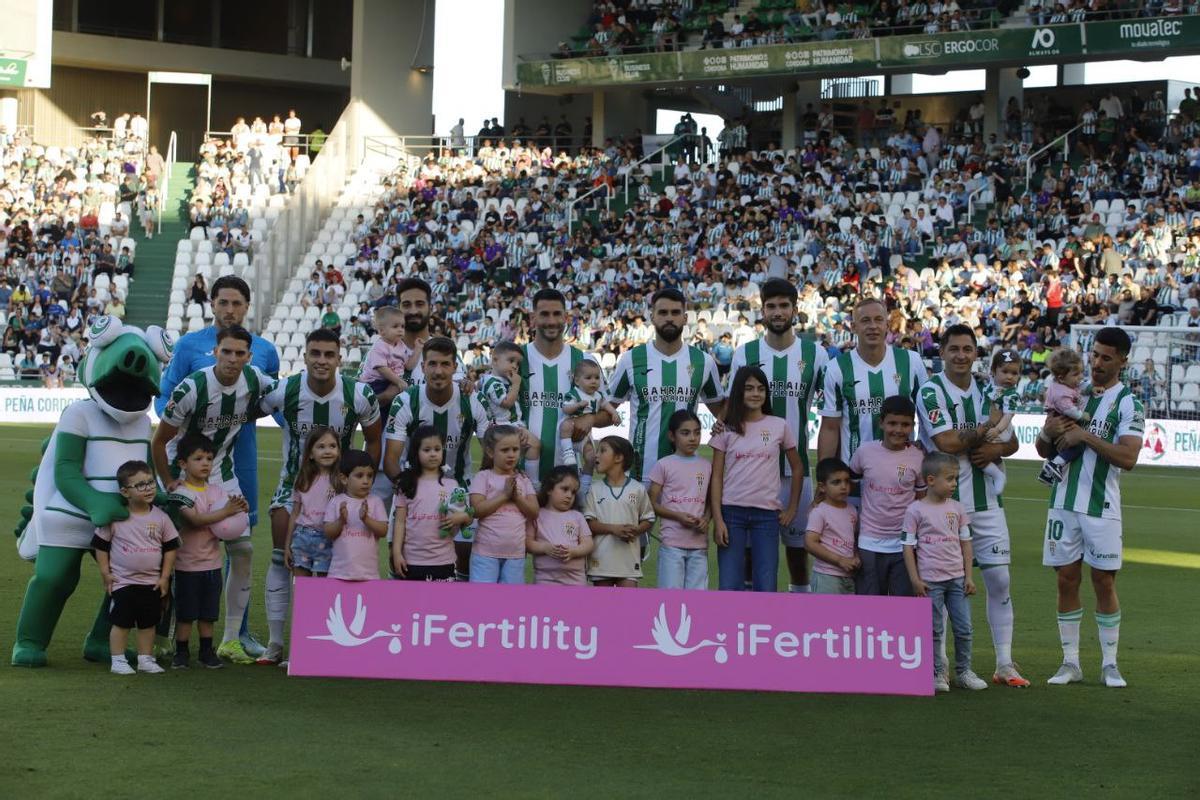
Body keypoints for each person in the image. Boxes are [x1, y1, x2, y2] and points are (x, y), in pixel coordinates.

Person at [156, 275, 279, 660]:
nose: (229, 309)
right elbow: (162, 427)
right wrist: (172, 480)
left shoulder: (262, 363)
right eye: (222, 302)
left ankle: (231, 637)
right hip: (182, 466)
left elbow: (280, 398)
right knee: (176, 549)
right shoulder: (191, 370)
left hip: (227, 464)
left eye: (236, 303)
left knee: (241, 545)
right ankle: (165, 634)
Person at [257, 328, 381, 663]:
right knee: (283, 555)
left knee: (333, 566)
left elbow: (373, 440)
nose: (322, 361)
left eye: (329, 355)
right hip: (294, 486)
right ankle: (275, 642)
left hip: (339, 492)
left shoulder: (358, 394)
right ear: (306, 356)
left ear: (340, 358)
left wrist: (360, 480)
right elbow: (250, 409)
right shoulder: (286, 390)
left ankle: (320, 641)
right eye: (315, 353)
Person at [917, 325, 1027, 687]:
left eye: (967, 349)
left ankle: (1005, 663)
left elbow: (1010, 441)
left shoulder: (988, 390)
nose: (961, 355)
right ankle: (942, 666)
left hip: (987, 502)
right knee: (945, 585)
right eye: (954, 349)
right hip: (943, 508)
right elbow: (947, 441)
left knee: (1000, 578)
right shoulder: (931, 391)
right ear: (943, 353)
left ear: (976, 353)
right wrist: (984, 435)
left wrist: (995, 448)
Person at [1038, 327, 1143, 689]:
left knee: (1103, 581)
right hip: (1063, 504)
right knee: (1066, 580)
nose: (1097, 363)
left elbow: (1128, 457)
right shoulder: (1071, 393)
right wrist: (1048, 432)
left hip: (1102, 506)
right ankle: (1070, 663)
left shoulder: (1128, 402)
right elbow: (1042, 450)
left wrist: (1085, 436)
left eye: (1106, 357)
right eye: (1095, 355)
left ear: (1122, 361)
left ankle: (1110, 664)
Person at [730, 277, 830, 593]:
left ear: (795, 309)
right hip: (751, 473)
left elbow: (832, 415)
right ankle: (749, 617)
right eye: (771, 306)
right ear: (763, 310)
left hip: (796, 472)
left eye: (783, 305)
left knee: (799, 549)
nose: (777, 312)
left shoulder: (817, 355)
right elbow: (734, 410)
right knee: (748, 551)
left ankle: (797, 613)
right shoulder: (744, 354)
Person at [383, 336, 489, 580]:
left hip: (459, 488)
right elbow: (391, 459)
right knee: (396, 554)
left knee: (465, 553)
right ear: (422, 367)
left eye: (445, 364)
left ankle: (457, 614)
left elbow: (490, 453)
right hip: (414, 488)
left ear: (455, 367)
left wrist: (476, 497)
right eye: (432, 364)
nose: (438, 371)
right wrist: (409, 491)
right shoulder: (406, 401)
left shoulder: (473, 400)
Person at [610, 287, 724, 487]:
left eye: (675, 312)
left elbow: (721, 410)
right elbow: (608, 405)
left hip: (685, 473)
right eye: (663, 313)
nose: (669, 318)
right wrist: (587, 419)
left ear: (685, 317)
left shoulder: (703, 362)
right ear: (652, 316)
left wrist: (725, 421)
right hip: (639, 473)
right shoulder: (630, 359)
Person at [901, 451, 988, 693]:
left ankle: (964, 672)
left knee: (964, 627)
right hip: (930, 582)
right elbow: (907, 547)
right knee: (934, 629)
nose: (954, 484)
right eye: (949, 479)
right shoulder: (915, 510)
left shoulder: (958, 509)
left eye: (955, 479)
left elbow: (966, 544)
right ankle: (937, 673)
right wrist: (915, 579)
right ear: (930, 480)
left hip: (957, 579)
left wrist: (968, 576)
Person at [710, 366, 802, 592]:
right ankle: (729, 627)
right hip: (732, 513)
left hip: (767, 515)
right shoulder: (726, 429)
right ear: (739, 392)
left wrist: (791, 509)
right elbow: (717, 477)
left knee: (767, 584)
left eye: (761, 389)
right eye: (749, 388)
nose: (755, 394)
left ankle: (763, 627)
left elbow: (798, 468)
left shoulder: (779, 425)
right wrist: (718, 519)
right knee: (730, 584)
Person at [170, 434, 250, 671]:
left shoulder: (216, 491)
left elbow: (228, 523)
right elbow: (195, 520)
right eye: (198, 458)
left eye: (209, 458)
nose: (205, 463)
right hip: (186, 566)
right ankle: (181, 652)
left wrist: (239, 510)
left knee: (208, 614)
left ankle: (207, 651)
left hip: (212, 564)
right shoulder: (181, 492)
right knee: (186, 614)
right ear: (183, 463)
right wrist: (227, 512)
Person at [91, 461, 180, 675]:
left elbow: (171, 548)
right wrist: (105, 572)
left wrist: (165, 577)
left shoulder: (161, 517)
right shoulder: (117, 517)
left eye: (150, 482)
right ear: (125, 492)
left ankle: (145, 659)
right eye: (140, 485)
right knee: (121, 623)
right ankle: (118, 660)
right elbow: (100, 545)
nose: (148, 488)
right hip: (123, 582)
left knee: (148, 623)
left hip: (151, 583)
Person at [519, 288, 613, 488]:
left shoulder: (585, 360)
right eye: (544, 314)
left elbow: (608, 415)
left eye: (557, 314)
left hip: (569, 481)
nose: (551, 321)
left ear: (566, 317)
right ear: (533, 318)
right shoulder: (516, 359)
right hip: (522, 476)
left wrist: (590, 418)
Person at [818, 297, 928, 468]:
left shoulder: (911, 361)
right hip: (854, 478)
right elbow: (830, 428)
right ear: (854, 327)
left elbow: (926, 414)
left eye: (878, 320)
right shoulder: (836, 368)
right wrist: (824, 477)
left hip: (903, 476)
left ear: (887, 324)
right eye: (865, 320)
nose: (873, 326)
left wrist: (921, 442)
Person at [847, 395, 926, 597]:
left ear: (912, 426)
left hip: (904, 545)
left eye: (905, 425)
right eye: (892, 423)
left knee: (903, 608)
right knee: (870, 607)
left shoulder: (918, 457)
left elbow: (921, 499)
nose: (898, 430)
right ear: (881, 422)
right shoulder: (864, 452)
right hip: (869, 541)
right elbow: (849, 486)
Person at [391, 426, 470, 582]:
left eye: (437, 449)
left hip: (444, 561)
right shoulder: (407, 484)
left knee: (442, 606)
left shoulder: (452, 485)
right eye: (426, 450)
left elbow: (468, 517)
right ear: (416, 452)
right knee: (412, 606)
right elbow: (399, 523)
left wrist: (460, 518)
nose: (433, 454)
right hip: (412, 561)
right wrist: (397, 553)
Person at [648, 410, 712, 591]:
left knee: (698, 602)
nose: (693, 438)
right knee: (670, 599)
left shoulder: (706, 465)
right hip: (672, 545)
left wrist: (706, 519)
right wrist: (678, 516)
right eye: (685, 433)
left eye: (697, 432)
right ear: (671, 436)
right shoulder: (664, 465)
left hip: (699, 545)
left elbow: (710, 502)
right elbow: (651, 503)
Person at [468, 425, 538, 584]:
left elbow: (534, 512)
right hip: (485, 553)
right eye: (505, 450)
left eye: (515, 449)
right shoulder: (483, 477)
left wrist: (518, 498)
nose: (511, 455)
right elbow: (476, 510)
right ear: (491, 452)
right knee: (482, 600)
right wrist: (505, 496)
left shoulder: (523, 479)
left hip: (515, 554)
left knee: (511, 603)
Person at [584, 436, 655, 587]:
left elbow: (648, 519)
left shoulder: (637, 489)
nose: (596, 455)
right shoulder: (595, 489)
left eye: (602, 450)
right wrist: (614, 529)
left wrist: (637, 530)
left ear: (618, 458)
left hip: (629, 561)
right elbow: (589, 523)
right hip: (601, 561)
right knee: (602, 610)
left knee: (628, 609)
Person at [557, 358, 621, 497]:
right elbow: (566, 408)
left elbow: (606, 405)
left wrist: (614, 413)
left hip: (584, 436)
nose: (594, 381)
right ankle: (567, 452)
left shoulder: (598, 395)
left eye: (597, 378)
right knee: (566, 425)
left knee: (591, 457)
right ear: (577, 381)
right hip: (571, 427)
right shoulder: (575, 393)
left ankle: (585, 485)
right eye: (589, 378)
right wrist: (578, 405)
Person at [285, 427, 343, 579]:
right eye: (321, 446)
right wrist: (287, 546)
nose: (327, 451)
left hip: (328, 539)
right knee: (302, 590)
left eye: (332, 446)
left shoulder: (341, 481)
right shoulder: (303, 479)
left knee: (326, 588)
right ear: (311, 453)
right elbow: (295, 513)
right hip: (302, 538)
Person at [323, 450, 388, 581]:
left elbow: (383, 530)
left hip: (369, 575)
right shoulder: (336, 502)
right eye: (359, 476)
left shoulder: (375, 501)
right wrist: (341, 520)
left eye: (370, 476)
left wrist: (366, 519)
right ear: (344, 478)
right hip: (339, 574)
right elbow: (329, 532)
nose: (366, 481)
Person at [527, 466, 594, 586]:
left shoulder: (577, 516)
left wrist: (574, 551)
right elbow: (527, 543)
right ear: (549, 489)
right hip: (545, 579)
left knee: (575, 606)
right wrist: (545, 548)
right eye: (564, 489)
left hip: (575, 580)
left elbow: (588, 544)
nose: (569, 495)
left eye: (573, 492)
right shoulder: (536, 515)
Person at [804, 457, 860, 595]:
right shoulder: (819, 512)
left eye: (847, 481)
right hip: (826, 577)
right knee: (825, 616)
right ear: (822, 487)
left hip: (849, 576)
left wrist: (856, 557)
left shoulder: (852, 510)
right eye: (836, 482)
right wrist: (840, 560)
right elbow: (810, 543)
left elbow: (854, 539)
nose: (843, 486)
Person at [477, 340, 541, 462]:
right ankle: (533, 480)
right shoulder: (493, 382)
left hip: (510, 425)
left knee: (517, 456)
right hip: (504, 426)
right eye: (511, 361)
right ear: (495, 360)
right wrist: (516, 384)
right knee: (534, 445)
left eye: (517, 364)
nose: (514, 366)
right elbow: (506, 403)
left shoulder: (496, 380)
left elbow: (478, 385)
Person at [1037, 348, 1092, 485]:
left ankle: (1046, 474)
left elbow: (1082, 385)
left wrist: (1092, 389)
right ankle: (1054, 465)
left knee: (1056, 448)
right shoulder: (1060, 392)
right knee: (1077, 446)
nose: (1080, 377)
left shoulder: (1064, 384)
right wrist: (1082, 416)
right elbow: (1069, 410)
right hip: (1061, 418)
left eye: (1081, 372)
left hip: (1056, 418)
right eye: (1075, 374)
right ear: (1061, 377)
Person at [359, 306, 418, 410]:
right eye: (395, 326)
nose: (400, 330)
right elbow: (382, 368)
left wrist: (418, 349)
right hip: (375, 383)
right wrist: (398, 381)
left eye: (402, 326)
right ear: (382, 331)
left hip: (391, 381)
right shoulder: (379, 347)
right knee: (382, 411)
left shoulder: (401, 345)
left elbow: (408, 366)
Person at [980, 350, 1022, 495]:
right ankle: (999, 474)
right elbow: (989, 378)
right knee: (990, 455)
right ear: (994, 371)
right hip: (989, 425)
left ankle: (998, 475)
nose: (1009, 377)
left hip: (1001, 429)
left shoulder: (1011, 394)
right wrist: (981, 375)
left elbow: (1008, 415)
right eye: (1005, 371)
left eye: (1014, 373)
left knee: (976, 451)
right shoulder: (994, 383)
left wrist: (997, 430)